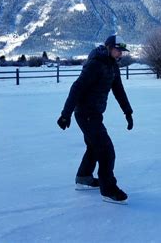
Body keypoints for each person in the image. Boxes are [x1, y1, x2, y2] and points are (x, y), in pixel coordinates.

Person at [57, 35, 134, 204]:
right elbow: (77, 87)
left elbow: (118, 90)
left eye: (122, 51)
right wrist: (65, 114)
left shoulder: (113, 66)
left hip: (95, 113)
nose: (120, 53)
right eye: (117, 49)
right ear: (108, 47)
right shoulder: (95, 64)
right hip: (85, 113)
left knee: (94, 147)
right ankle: (108, 189)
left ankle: (84, 178)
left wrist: (127, 112)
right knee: (106, 150)